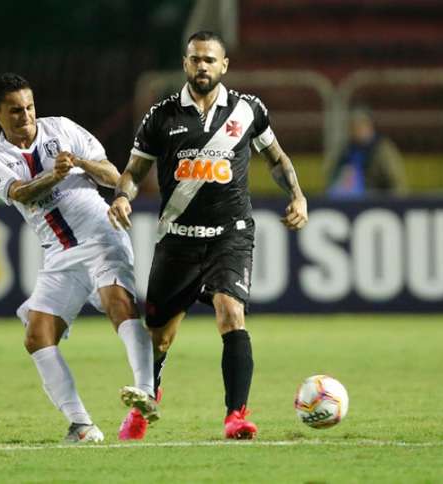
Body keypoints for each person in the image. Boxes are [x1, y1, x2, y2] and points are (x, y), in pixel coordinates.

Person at [108, 31, 308, 440]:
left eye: (210, 60)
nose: (202, 66)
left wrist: (298, 195)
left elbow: (276, 158)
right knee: (160, 337)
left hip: (229, 237)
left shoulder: (248, 110)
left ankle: (236, 415)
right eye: (196, 59)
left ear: (224, 66)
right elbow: (134, 170)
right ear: (185, 64)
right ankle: (147, 402)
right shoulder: (161, 116)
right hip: (178, 239)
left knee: (231, 313)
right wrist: (122, 198)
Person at [0, 73, 159, 443]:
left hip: (101, 235)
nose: (25, 116)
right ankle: (81, 425)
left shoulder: (61, 128)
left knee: (119, 304)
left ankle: (146, 391)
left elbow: (113, 175)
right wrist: (54, 174)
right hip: (58, 254)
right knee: (37, 336)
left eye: (29, 106)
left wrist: (80, 163)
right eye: (14, 110)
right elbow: (21, 193)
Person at [325, 107, 406, 197]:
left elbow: (396, 181)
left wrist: (396, 200)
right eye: (353, 127)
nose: (356, 130)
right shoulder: (346, 150)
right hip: (348, 199)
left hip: (376, 201)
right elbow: (333, 176)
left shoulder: (382, 149)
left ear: (369, 126)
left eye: (360, 126)